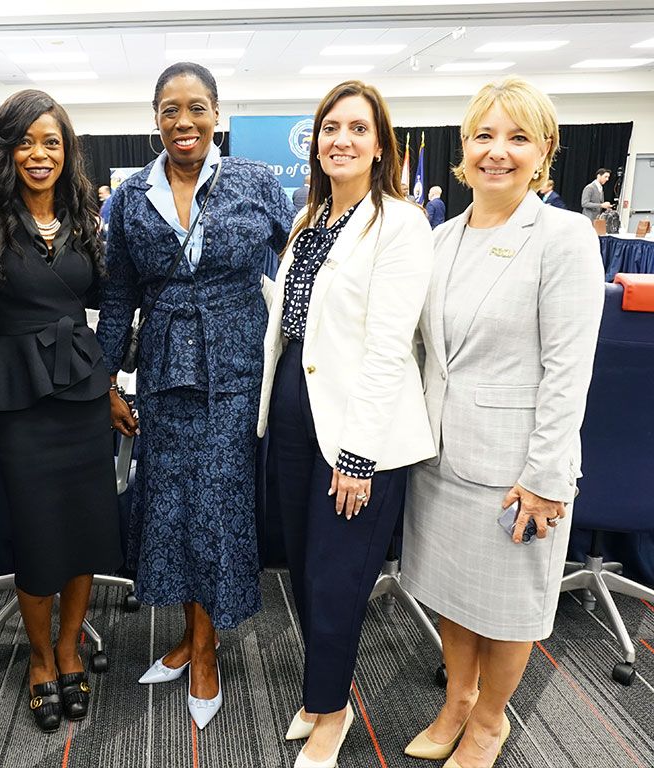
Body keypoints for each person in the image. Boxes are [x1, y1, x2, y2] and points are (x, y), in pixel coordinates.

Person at [402, 76, 604, 768]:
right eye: (484, 135)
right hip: (441, 456)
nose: (498, 152)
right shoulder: (443, 236)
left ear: (544, 149)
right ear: (464, 146)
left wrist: (547, 477)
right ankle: (457, 700)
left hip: (518, 467)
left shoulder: (564, 236)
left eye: (517, 137)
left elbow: (567, 371)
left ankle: (490, 721)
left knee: (509, 607)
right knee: (454, 595)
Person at [97, 62, 293, 730]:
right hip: (164, 373)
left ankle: (205, 650)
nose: (184, 122)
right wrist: (105, 382)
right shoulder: (129, 198)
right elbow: (120, 293)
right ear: (154, 117)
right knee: (174, 507)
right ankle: (190, 635)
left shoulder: (256, 182)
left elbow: (298, 266)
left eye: (198, 108)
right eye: (170, 110)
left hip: (236, 368)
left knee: (217, 505)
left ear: (218, 113)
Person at [257, 80, 435, 768]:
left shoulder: (400, 224)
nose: (341, 139)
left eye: (358, 128)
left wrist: (358, 456)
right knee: (303, 568)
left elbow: (390, 346)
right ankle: (318, 692)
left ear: (380, 144)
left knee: (335, 578)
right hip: (299, 411)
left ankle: (332, 718)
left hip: (361, 426)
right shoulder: (310, 222)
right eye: (331, 127)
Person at [0, 89, 121, 734]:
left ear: (67, 150)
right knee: (39, 534)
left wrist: (111, 387)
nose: (39, 154)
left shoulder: (85, 222)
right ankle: (41, 659)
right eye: (25, 142)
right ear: (5, 151)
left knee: (84, 532)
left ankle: (71, 646)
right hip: (20, 404)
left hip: (81, 397)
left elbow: (110, 302)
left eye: (51, 142)